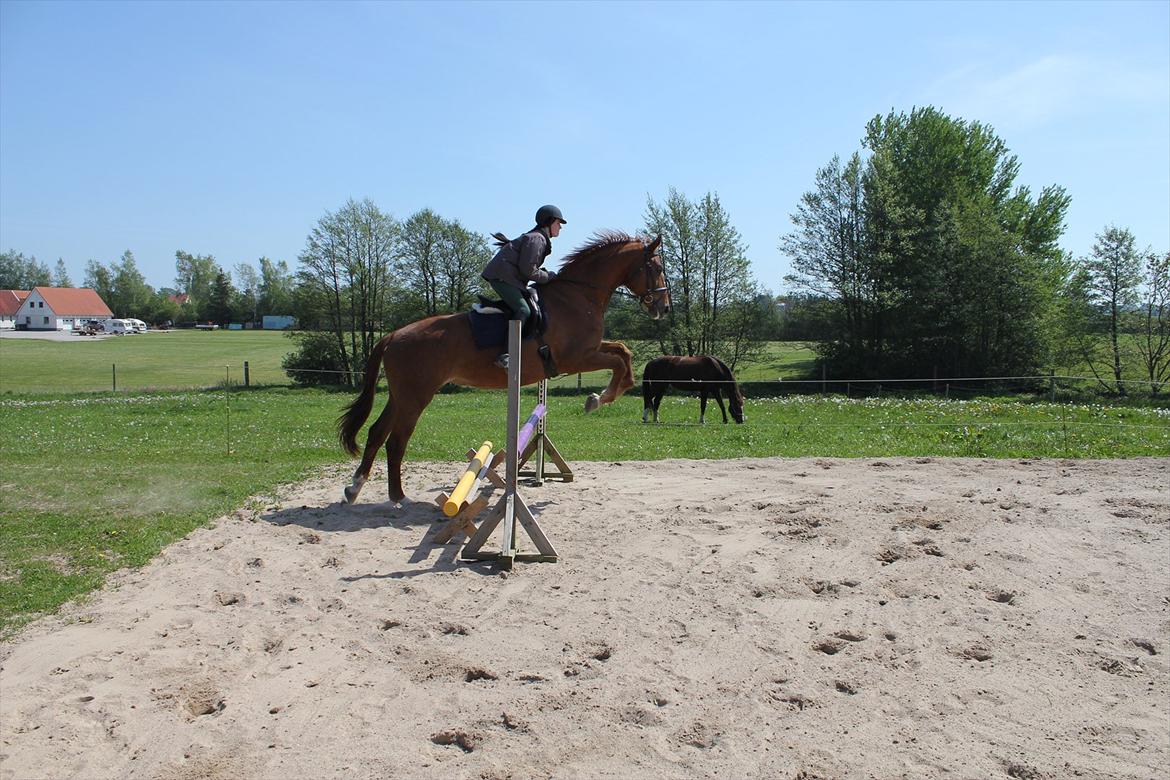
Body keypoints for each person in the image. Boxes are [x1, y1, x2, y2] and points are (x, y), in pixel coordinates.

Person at [481, 204, 567, 368]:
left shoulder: (538, 238)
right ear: (548, 222)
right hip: (502, 278)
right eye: (558, 223)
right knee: (524, 310)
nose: (560, 227)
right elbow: (528, 270)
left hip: (508, 277)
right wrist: (549, 276)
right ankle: (505, 354)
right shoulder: (537, 238)